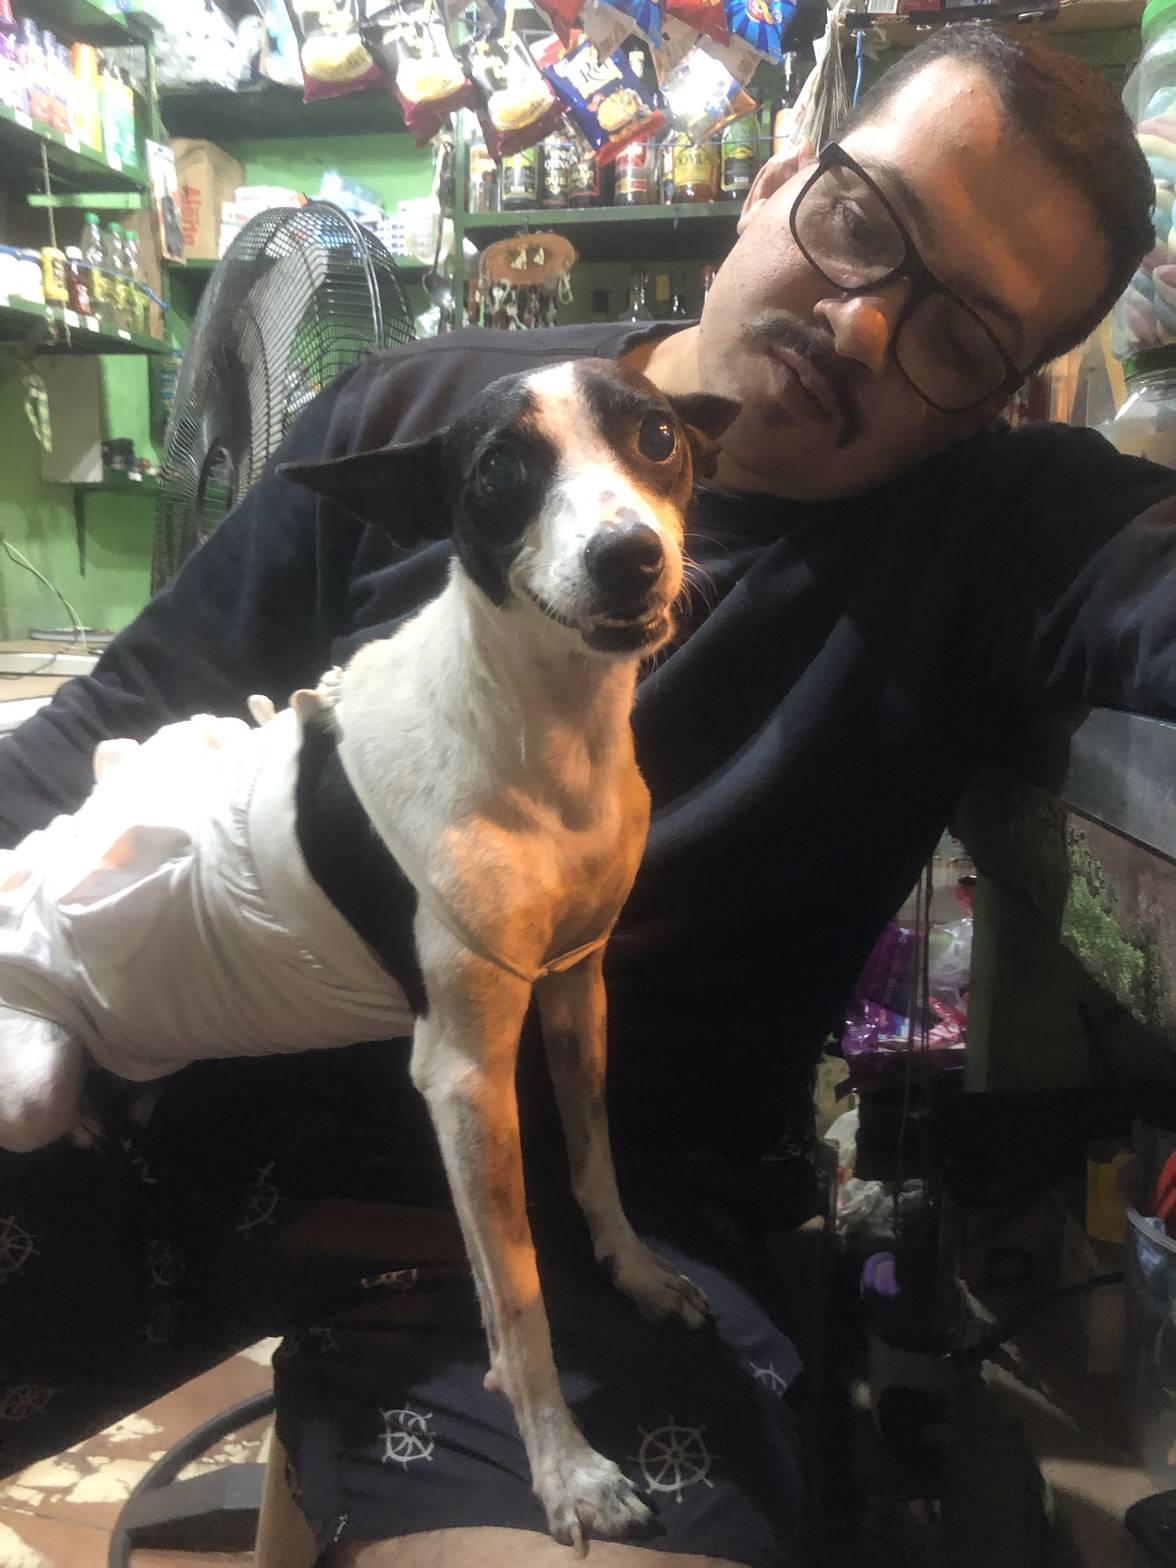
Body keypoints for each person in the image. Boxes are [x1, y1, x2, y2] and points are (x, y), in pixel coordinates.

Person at [0, 23, 1171, 1568]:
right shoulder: (421, 424)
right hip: (169, 1092)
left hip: (599, 1220)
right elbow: (99, 733)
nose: (865, 324)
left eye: (958, 336)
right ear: (775, 175)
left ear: (1000, 398)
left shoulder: (998, 538)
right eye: (860, 220)